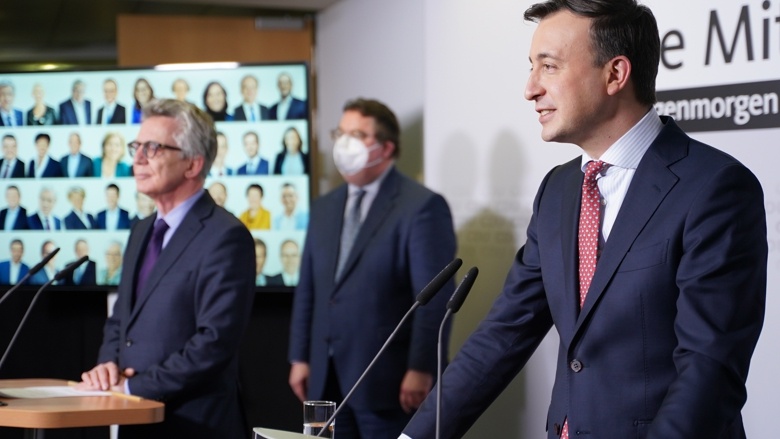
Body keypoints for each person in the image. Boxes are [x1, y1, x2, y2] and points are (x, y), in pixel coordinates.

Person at [401, 2, 768, 439]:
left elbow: (709, 370)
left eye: (549, 67)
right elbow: (502, 336)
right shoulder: (557, 191)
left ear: (615, 74)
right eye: (531, 68)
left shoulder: (715, 188)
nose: (530, 88)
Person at [76, 99, 255, 438]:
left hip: (193, 424)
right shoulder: (141, 230)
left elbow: (214, 342)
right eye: (137, 146)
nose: (138, 158)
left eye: (153, 147)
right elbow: (121, 320)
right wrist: (106, 366)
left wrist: (135, 388)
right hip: (135, 418)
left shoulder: (226, 237)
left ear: (192, 164)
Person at [288, 98, 457, 439]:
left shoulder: (421, 207)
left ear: (386, 147)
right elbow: (310, 289)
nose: (343, 142)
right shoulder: (323, 207)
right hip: (325, 377)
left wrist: (421, 367)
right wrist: (299, 357)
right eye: (341, 132)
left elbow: (434, 299)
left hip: (389, 384)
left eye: (357, 134)